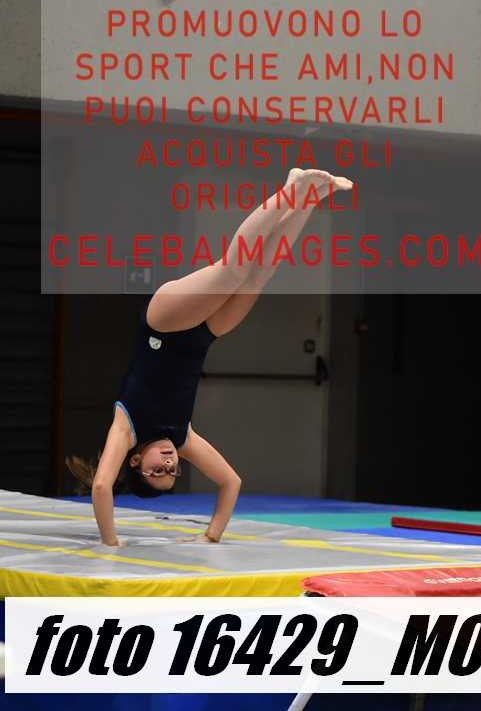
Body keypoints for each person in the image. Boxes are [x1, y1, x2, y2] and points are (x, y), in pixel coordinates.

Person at [67, 168, 353, 546]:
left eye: (157, 471)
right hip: (202, 336)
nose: (169, 464)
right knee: (259, 274)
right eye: (172, 472)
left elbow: (102, 486)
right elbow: (231, 482)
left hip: (164, 325)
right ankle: (307, 198)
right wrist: (209, 537)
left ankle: (291, 189)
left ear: (134, 462)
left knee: (232, 271)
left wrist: (111, 543)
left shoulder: (127, 427)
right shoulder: (182, 438)